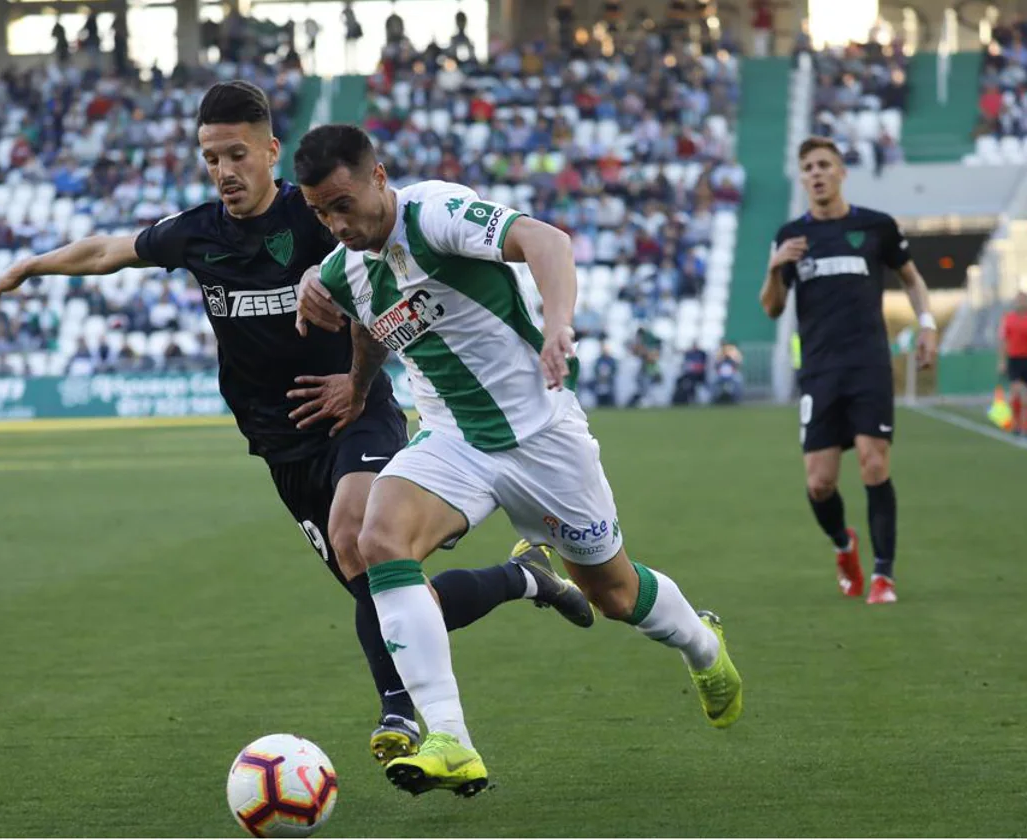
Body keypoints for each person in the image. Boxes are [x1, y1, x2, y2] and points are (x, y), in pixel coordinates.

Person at [0, 81, 592, 766]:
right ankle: (525, 580)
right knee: (390, 595)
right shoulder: (198, 234)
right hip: (282, 448)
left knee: (361, 539)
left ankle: (400, 713)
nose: (224, 171)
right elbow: (108, 252)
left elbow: (391, 263)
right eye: (211, 157)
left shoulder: (317, 216)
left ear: (271, 151)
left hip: (355, 419)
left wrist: (358, 380)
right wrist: (34, 266)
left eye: (237, 155)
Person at [294, 124, 743, 797]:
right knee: (377, 536)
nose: (336, 224)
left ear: (379, 177)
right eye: (320, 213)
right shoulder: (344, 267)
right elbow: (364, 318)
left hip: (542, 438)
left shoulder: (433, 214)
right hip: (453, 441)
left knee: (615, 595)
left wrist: (559, 325)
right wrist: (359, 387)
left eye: (343, 204)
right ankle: (450, 737)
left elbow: (546, 240)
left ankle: (704, 647)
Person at [760, 136, 938, 606]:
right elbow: (773, 308)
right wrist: (776, 268)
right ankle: (844, 546)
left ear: (842, 172)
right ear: (802, 179)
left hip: (869, 365)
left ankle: (883, 576)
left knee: (874, 463)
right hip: (819, 371)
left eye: (824, 165)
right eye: (808, 168)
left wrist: (927, 325)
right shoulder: (790, 237)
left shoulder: (875, 226)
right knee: (820, 483)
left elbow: (913, 279)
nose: (816, 173)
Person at [998, 290, 1027, 436]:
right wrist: (1002, 361)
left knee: (1025, 397)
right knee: (1016, 392)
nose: (1020, 302)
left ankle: (1024, 425)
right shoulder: (1009, 319)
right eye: (1018, 300)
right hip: (1015, 360)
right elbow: (1004, 341)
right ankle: (1017, 424)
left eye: (1023, 300)